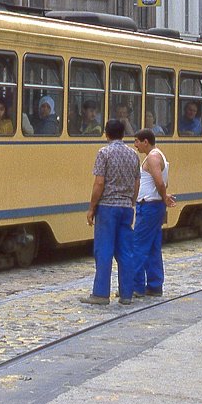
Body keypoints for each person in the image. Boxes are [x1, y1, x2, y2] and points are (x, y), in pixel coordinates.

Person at [81, 119, 140, 306]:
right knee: (125, 252)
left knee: (104, 250)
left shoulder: (104, 153)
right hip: (125, 207)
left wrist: (91, 207)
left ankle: (100, 293)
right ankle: (126, 294)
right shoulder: (133, 154)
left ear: (106, 133)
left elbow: (99, 183)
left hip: (107, 207)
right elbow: (137, 183)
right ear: (123, 134)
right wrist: (130, 201)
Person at [132, 129, 177, 298]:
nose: (135, 145)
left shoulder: (152, 157)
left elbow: (159, 180)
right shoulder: (157, 155)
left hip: (149, 206)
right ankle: (155, 285)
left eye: (137, 141)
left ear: (145, 141)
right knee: (152, 248)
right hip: (154, 206)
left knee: (138, 246)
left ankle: (136, 286)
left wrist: (164, 196)